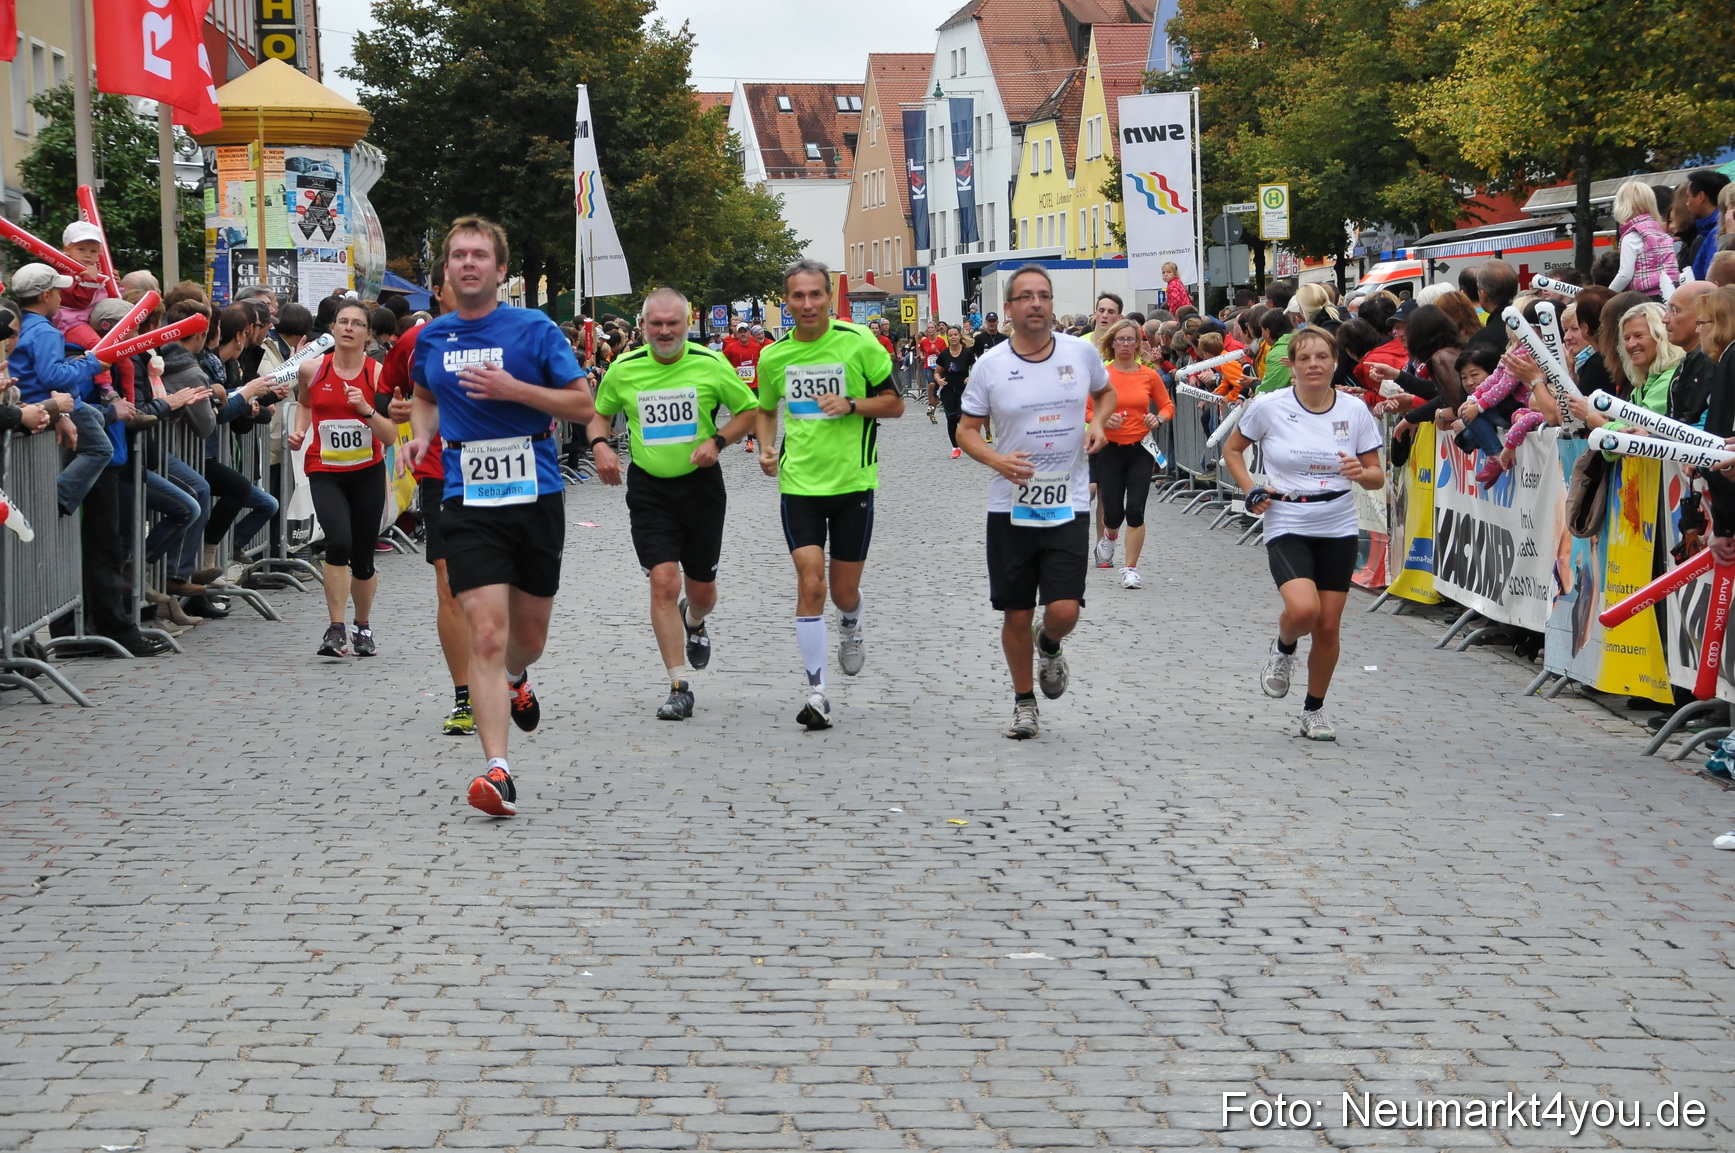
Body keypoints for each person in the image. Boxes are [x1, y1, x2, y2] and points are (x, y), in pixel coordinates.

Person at [408, 215, 595, 817]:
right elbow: (425, 396)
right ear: (446, 269)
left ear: (500, 269)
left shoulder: (534, 328)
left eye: (479, 255)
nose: (468, 263)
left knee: (527, 638)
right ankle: (498, 770)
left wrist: (517, 390)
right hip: (466, 496)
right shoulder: (432, 338)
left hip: (533, 493)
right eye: (458, 254)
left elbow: (582, 402)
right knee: (485, 632)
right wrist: (419, 436)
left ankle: (519, 678)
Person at [587, 287, 759, 720]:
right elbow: (599, 412)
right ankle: (678, 684)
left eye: (673, 324)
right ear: (642, 326)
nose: (664, 331)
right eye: (656, 324)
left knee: (701, 591)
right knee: (664, 582)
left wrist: (717, 441)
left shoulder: (710, 364)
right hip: (650, 489)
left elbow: (749, 411)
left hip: (701, 488)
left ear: (686, 325)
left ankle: (696, 621)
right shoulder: (624, 368)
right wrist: (599, 445)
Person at [956, 264, 1112, 739]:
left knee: (1064, 611)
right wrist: (998, 461)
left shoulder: (1080, 352)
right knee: (1017, 611)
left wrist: (1099, 423)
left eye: (1043, 295)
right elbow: (965, 432)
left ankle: (1051, 644)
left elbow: (1105, 395)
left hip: (1067, 500)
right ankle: (1024, 702)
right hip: (1011, 505)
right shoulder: (990, 365)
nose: (1036, 303)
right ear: (1009, 308)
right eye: (1025, 296)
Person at [754, 258, 902, 731]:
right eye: (798, 296)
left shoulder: (859, 344)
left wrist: (852, 404)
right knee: (811, 582)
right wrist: (765, 446)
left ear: (830, 297)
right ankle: (817, 691)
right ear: (787, 301)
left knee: (842, 591)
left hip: (853, 484)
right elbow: (764, 409)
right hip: (799, 484)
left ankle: (852, 622)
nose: (807, 304)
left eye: (815, 294)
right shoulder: (774, 356)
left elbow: (895, 403)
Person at [1226, 326, 1384, 742]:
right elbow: (1232, 450)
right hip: (1288, 519)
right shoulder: (1269, 406)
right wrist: (1252, 489)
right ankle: (1284, 647)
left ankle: (1313, 710)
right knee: (1303, 611)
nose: (1314, 365)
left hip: (1337, 521)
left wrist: (1360, 472)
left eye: (1322, 357)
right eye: (1304, 358)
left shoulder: (1354, 411)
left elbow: (1376, 478)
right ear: (1290, 365)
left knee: (1328, 627)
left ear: (1335, 362)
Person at [380, 260, 474, 735]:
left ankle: (511, 671)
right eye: (456, 284)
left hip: (507, 474)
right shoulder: (418, 342)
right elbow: (389, 394)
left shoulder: (516, 334)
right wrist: (397, 407)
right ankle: (465, 697)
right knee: (449, 583)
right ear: (437, 292)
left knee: (505, 588)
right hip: (443, 473)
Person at [287, 298, 399, 657]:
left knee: (364, 556)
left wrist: (365, 410)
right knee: (338, 542)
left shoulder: (377, 375)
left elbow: (390, 435)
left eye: (357, 323)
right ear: (332, 328)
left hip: (366, 472)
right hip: (325, 470)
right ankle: (335, 628)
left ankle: (362, 626)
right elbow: (305, 404)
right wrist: (300, 432)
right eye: (342, 322)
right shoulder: (312, 369)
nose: (348, 328)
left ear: (368, 335)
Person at [1091, 319, 1174, 588]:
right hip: (1110, 450)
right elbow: (1086, 410)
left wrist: (1158, 419)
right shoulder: (1102, 376)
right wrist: (1103, 419)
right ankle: (1110, 536)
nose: (1125, 345)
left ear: (1138, 344)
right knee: (1113, 513)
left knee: (1135, 510)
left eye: (1130, 340)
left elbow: (1167, 405)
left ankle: (1130, 569)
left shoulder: (1148, 375)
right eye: (1120, 340)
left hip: (1140, 449)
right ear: (1111, 343)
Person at [1608, 180, 1680, 297]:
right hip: (1670, 292)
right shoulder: (1661, 232)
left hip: (1645, 296)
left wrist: (1607, 294)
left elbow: (1625, 275)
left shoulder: (1632, 236)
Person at [720, 321, 765, 453]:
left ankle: (749, 441)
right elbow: (721, 362)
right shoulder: (731, 348)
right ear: (737, 334)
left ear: (749, 333)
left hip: (754, 385)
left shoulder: (757, 347)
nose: (743, 334)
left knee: (752, 412)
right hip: (738, 384)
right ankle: (737, 428)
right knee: (737, 411)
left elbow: (764, 362)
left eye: (745, 331)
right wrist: (732, 369)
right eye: (740, 332)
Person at [1680, 169, 1731, 283]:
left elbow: (1712, 279)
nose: (1687, 203)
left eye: (1688, 196)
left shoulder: (1717, 233)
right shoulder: (1708, 231)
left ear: (1700, 196)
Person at [934, 325, 975, 458]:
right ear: (948, 337)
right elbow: (936, 372)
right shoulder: (944, 354)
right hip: (948, 390)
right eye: (950, 335)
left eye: (955, 335)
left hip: (963, 390)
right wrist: (939, 380)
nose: (953, 337)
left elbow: (975, 368)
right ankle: (956, 448)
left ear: (959, 336)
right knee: (951, 418)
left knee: (960, 417)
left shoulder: (967, 353)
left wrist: (971, 377)